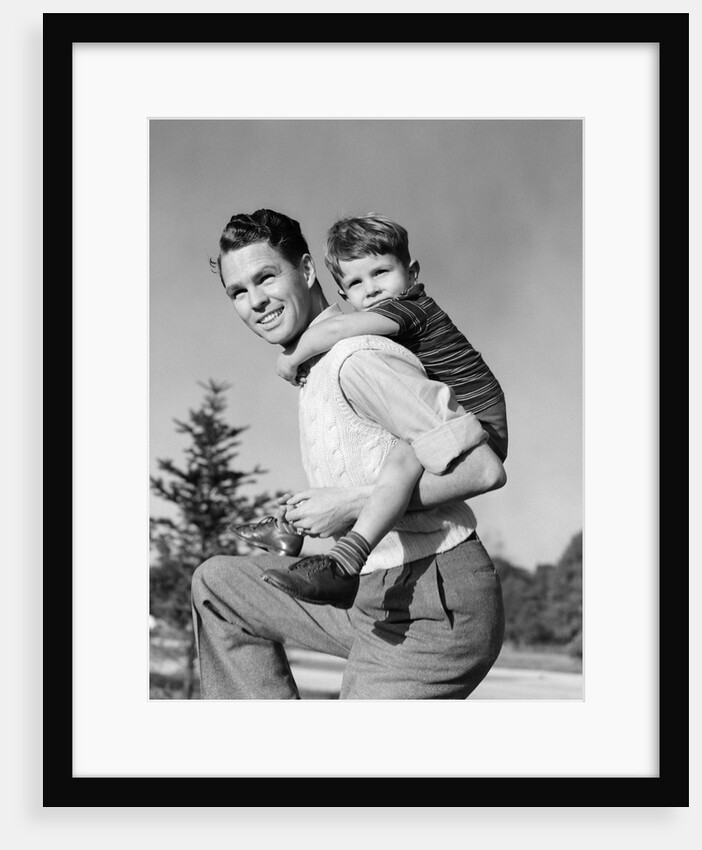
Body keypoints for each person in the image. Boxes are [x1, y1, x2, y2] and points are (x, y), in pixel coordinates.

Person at [191, 208, 506, 699]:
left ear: (308, 271)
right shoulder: (316, 368)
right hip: (370, 593)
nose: (255, 301)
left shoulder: (358, 358)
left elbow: (484, 469)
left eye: (266, 277)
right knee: (220, 585)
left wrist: (351, 504)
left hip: (432, 606)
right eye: (238, 291)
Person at [234, 213, 507, 608]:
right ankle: (290, 529)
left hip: (481, 423)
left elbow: (336, 330)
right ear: (344, 292)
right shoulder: (373, 335)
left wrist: (291, 359)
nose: (373, 289)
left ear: (411, 273)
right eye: (357, 283)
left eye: (381, 272)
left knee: (401, 457)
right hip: (456, 425)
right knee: (218, 582)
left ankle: (345, 560)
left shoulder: (408, 309)